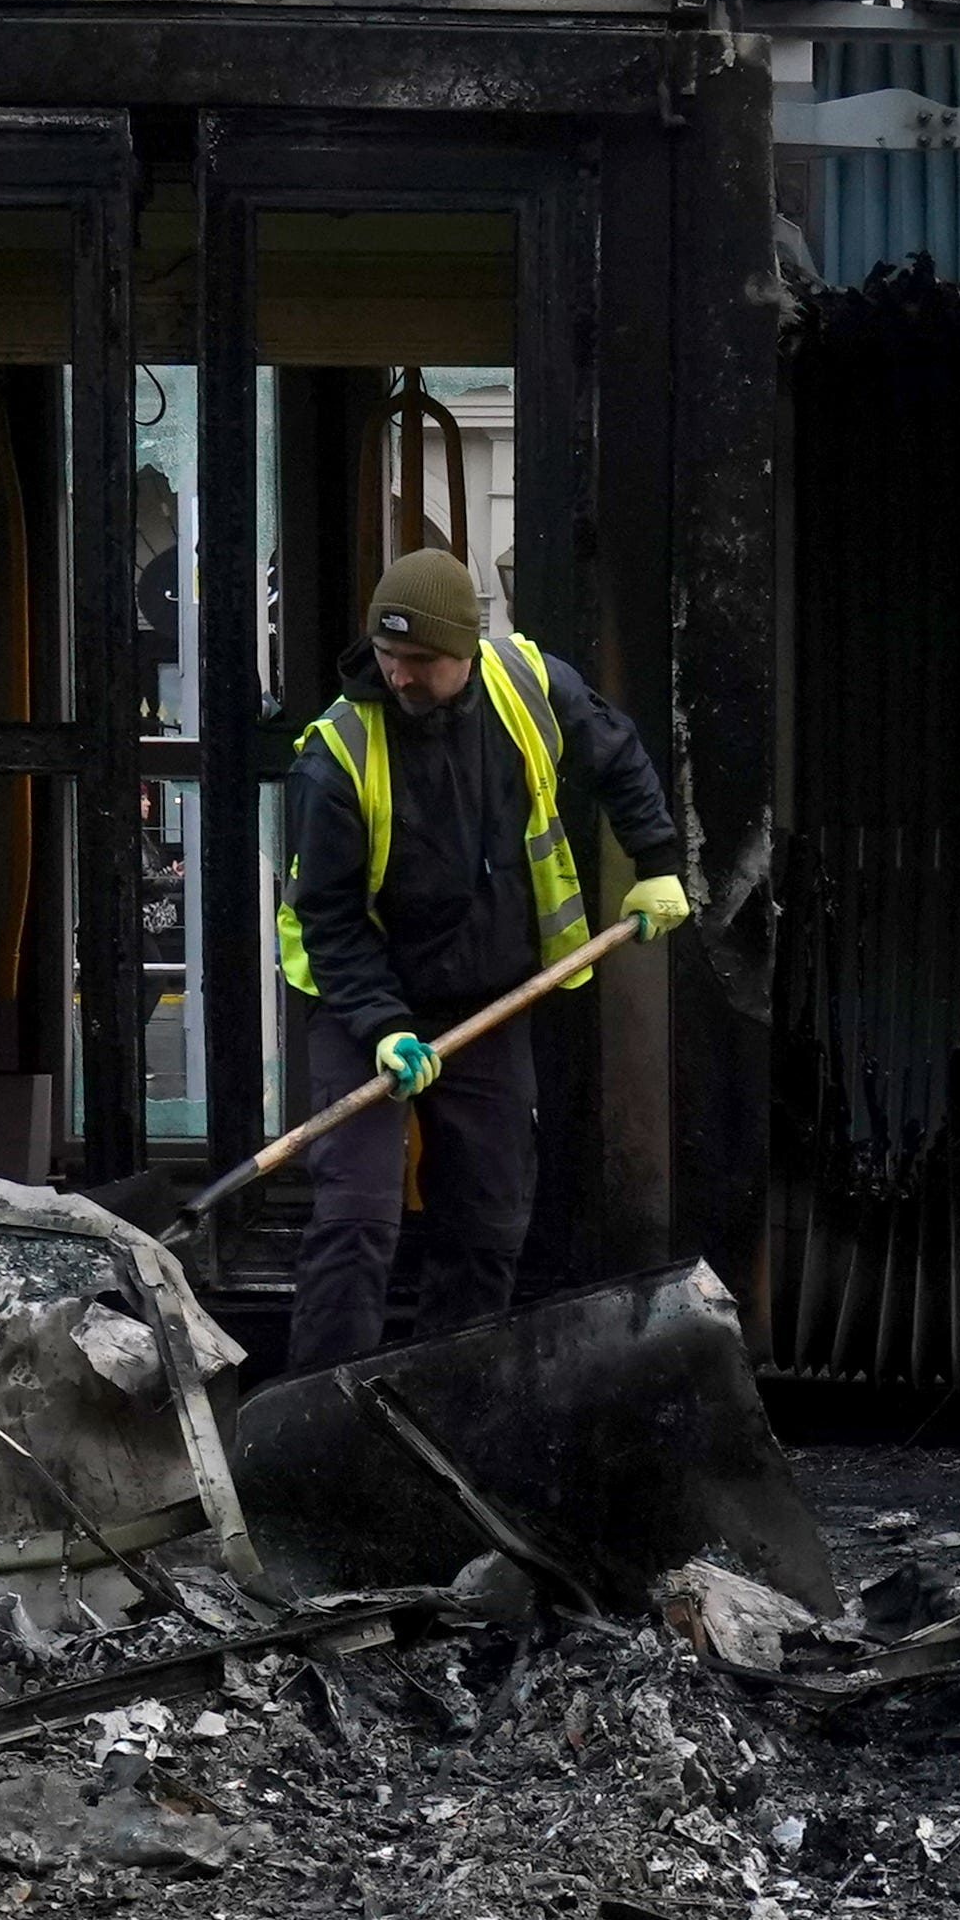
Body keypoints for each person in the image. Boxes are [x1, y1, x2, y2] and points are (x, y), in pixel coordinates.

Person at [273, 545, 690, 1371]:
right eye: (388, 656)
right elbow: (327, 918)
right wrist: (385, 1027)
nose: (400, 676)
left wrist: (659, 863)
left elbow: (617, 753)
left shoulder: (530, 684)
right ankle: (316, 1422)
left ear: (467, 651)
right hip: (367, 1009)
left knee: (489, 1219)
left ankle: (450, 1402)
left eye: (421, 660)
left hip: (487, 1001)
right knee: (357, 1220)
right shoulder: (336, 759)